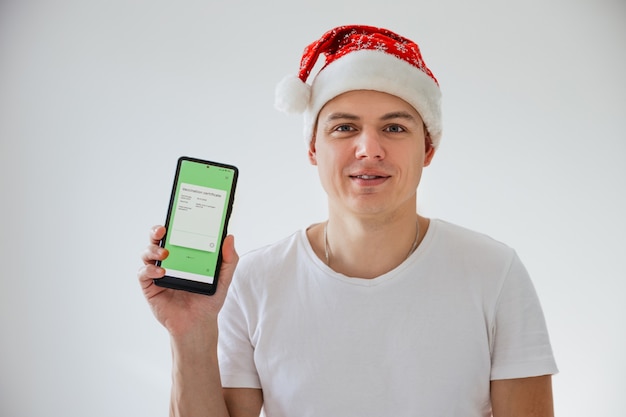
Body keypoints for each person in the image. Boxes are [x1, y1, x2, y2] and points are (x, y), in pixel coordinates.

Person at [139, 25, 558, 417]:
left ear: (427, 149)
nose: (368, 149)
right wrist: (190, 335)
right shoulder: (254, 280)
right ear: (313, 149)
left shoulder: (493, 272)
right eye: (344, 127)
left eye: (394, 127)